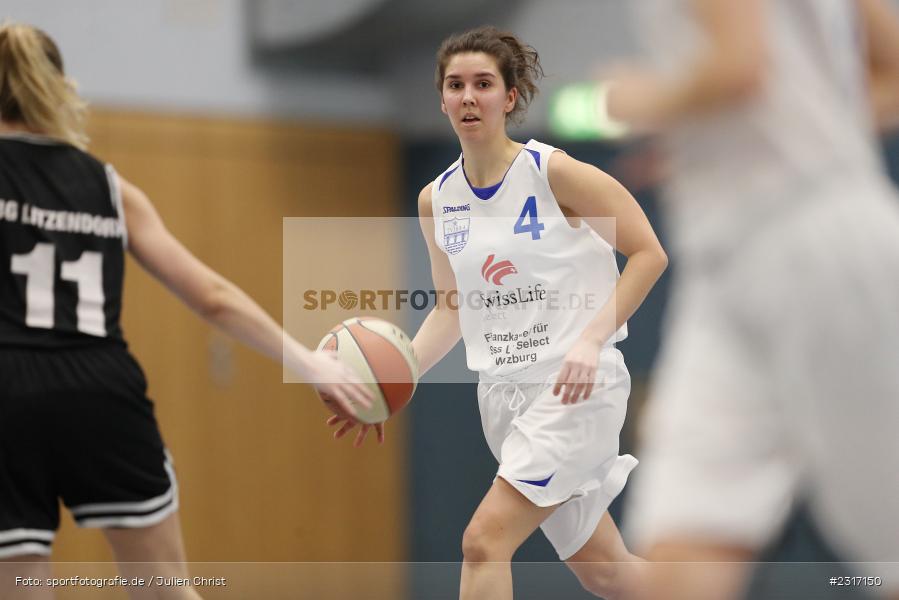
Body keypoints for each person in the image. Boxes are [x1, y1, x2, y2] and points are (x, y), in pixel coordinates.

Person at [0, 23, 373, 600]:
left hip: (8, 391)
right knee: (167, 592)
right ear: (57, 86)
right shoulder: (109, 187)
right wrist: (307, 361)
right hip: (101, 391)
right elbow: (212, 296)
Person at [329, 26, 668, 600]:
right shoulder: (435, 199)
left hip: (574, 387)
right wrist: (390, 379)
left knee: (483, 541)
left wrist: (590, 340)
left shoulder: (552, 172)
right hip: (501, 396)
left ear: (509, 97)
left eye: (483, 84)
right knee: (607, 571)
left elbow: (648, 253)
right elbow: (451, 311)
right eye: (455, 85)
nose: (468, 96)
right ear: (441, 98)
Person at [605, 1, 899, 598]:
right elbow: (888, 67)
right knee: (679, 554)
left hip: (813, 245)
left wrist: (638, 98)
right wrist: (759, 136)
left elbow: (739, 67)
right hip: (725, 264)